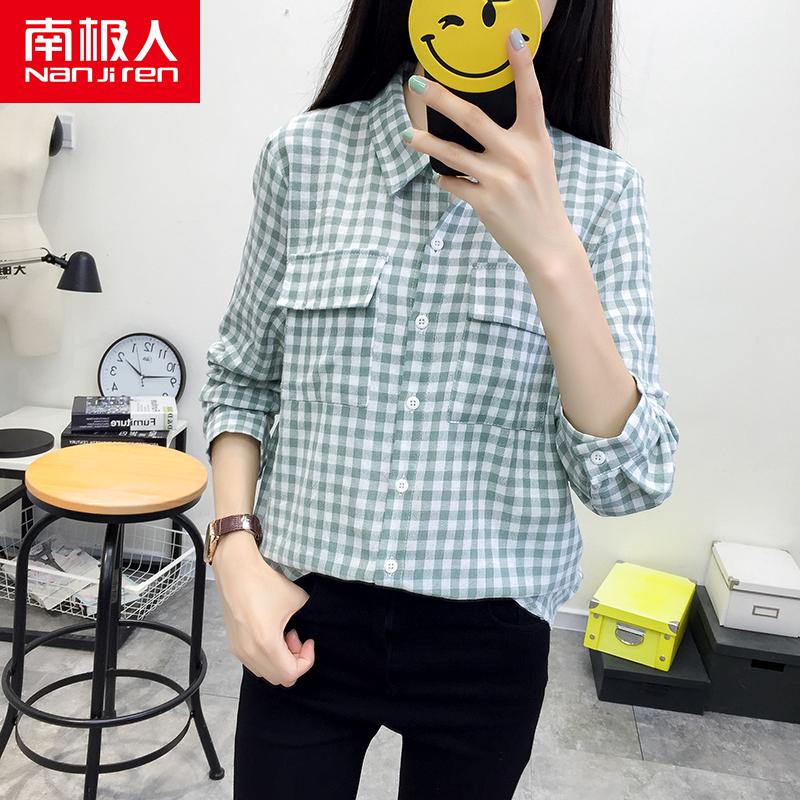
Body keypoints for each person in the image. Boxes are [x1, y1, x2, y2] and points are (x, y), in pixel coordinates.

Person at [198, 1, 680, 798]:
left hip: (487, 641)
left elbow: (629, 480)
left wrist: (554, 258)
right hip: (301, 611)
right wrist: (236, 555)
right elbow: (242, 380)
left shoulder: (601, 192)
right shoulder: (304, 158)